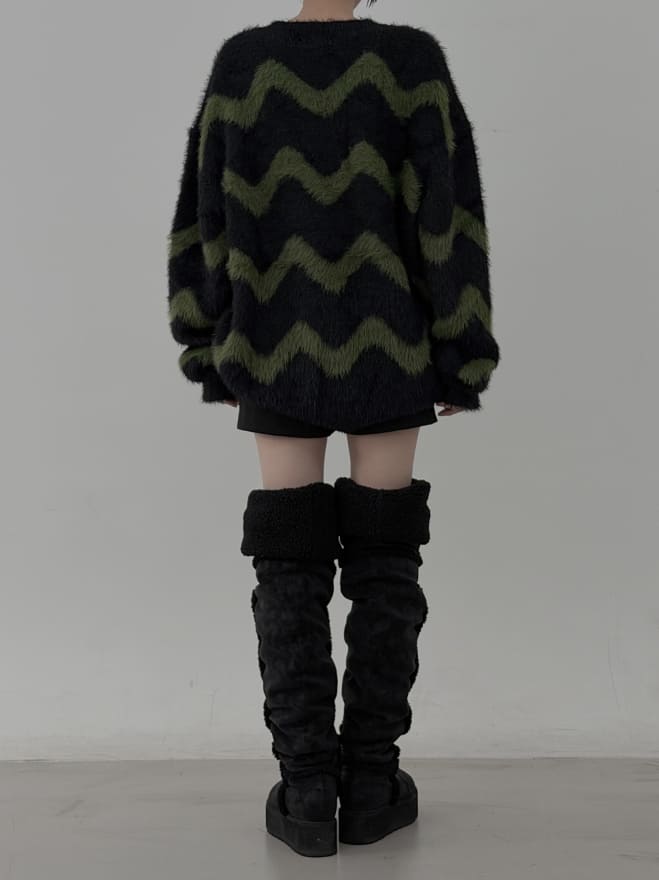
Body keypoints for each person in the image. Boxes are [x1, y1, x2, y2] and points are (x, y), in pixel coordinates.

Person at [166, 0, 500, 858]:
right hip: (391, 351)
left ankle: (307, 787)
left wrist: (205, 343)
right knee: (386, 561)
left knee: (287, 563)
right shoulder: (409, 61)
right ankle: (373, 782)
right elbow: (447, 213)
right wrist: (460, 351)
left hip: (271, 347)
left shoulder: (244, 63)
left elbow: (203, 213)